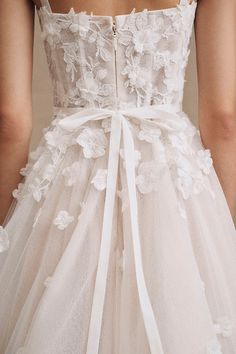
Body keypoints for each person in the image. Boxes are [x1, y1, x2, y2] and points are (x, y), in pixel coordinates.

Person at [0, 0, 236, 353]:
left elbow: (9, 121)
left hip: (69, 181)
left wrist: (9, 235)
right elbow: (224, 120)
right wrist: (224, 235)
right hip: (172, 184)